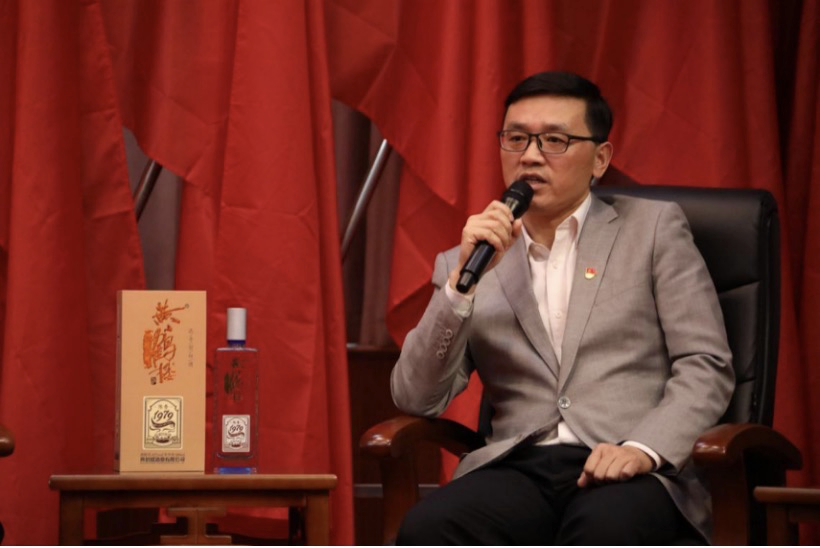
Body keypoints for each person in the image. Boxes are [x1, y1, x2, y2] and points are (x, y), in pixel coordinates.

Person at [390, 71, 735, 545]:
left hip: (626, 464)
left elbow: (706, 363)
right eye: (516, 139)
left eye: (555, 140)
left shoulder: (652, 230)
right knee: (429, 528)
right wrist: (457, 291)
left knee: (606, 529)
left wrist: (644, 448)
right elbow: (415, 396)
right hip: (518, 469)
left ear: (600, 158)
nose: (530, 156)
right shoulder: (471, 259)